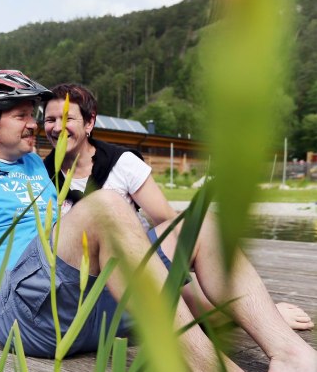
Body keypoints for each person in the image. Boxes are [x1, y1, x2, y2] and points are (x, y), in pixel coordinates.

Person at [0, 70, 317, 372]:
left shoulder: (36, 167)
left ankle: (292, 359)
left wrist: (252, 308)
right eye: (24, 114)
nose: (35, 125)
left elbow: (127, 260)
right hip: (21, 314)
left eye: (34, 114)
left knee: (200, 222)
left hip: (88, 304)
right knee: (107, 205)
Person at [41, 83, 313, 331]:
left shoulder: (122, 162)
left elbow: (166, 220)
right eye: (50, 120)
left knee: (193, 302)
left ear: (90, 122)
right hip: (79, 278)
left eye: (66, 119)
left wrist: (176, 278)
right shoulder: (41, 174)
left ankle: (264, 314)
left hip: (135, 263)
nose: (55, 127)